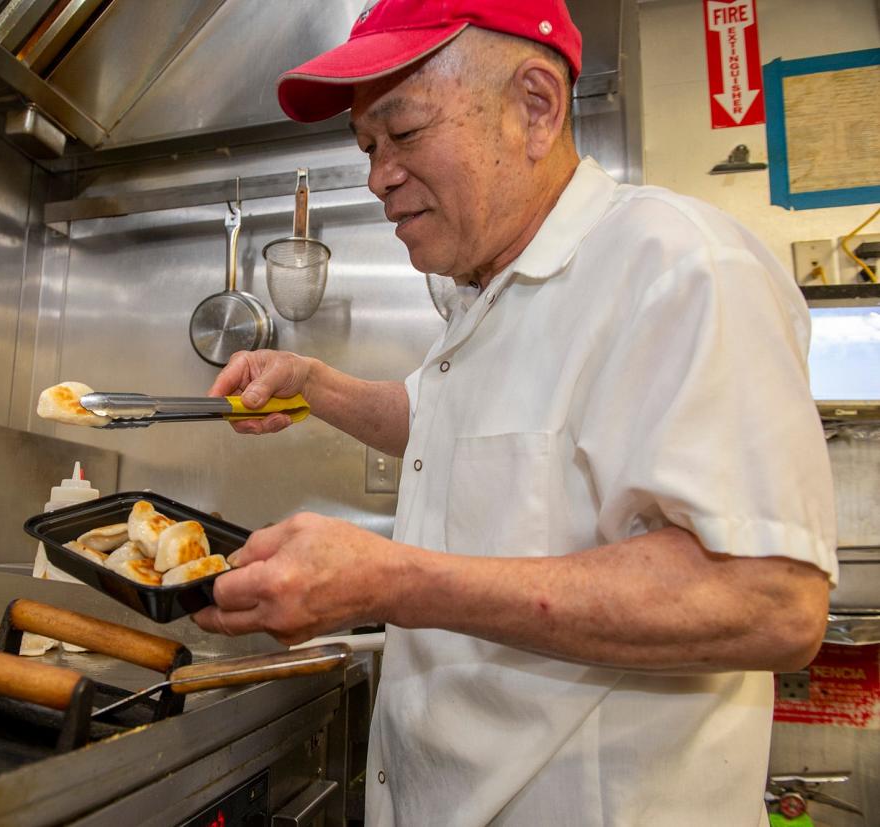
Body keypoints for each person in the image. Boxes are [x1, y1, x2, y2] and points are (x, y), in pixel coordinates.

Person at [191, 1, 838, 824]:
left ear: (535, 107)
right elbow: (441, 425)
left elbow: (771, 600)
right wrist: (312, 382)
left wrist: (390, 579)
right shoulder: (483, 299)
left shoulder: (676, 266)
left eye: (405, 133)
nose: (378, 174)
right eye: (367, 148)